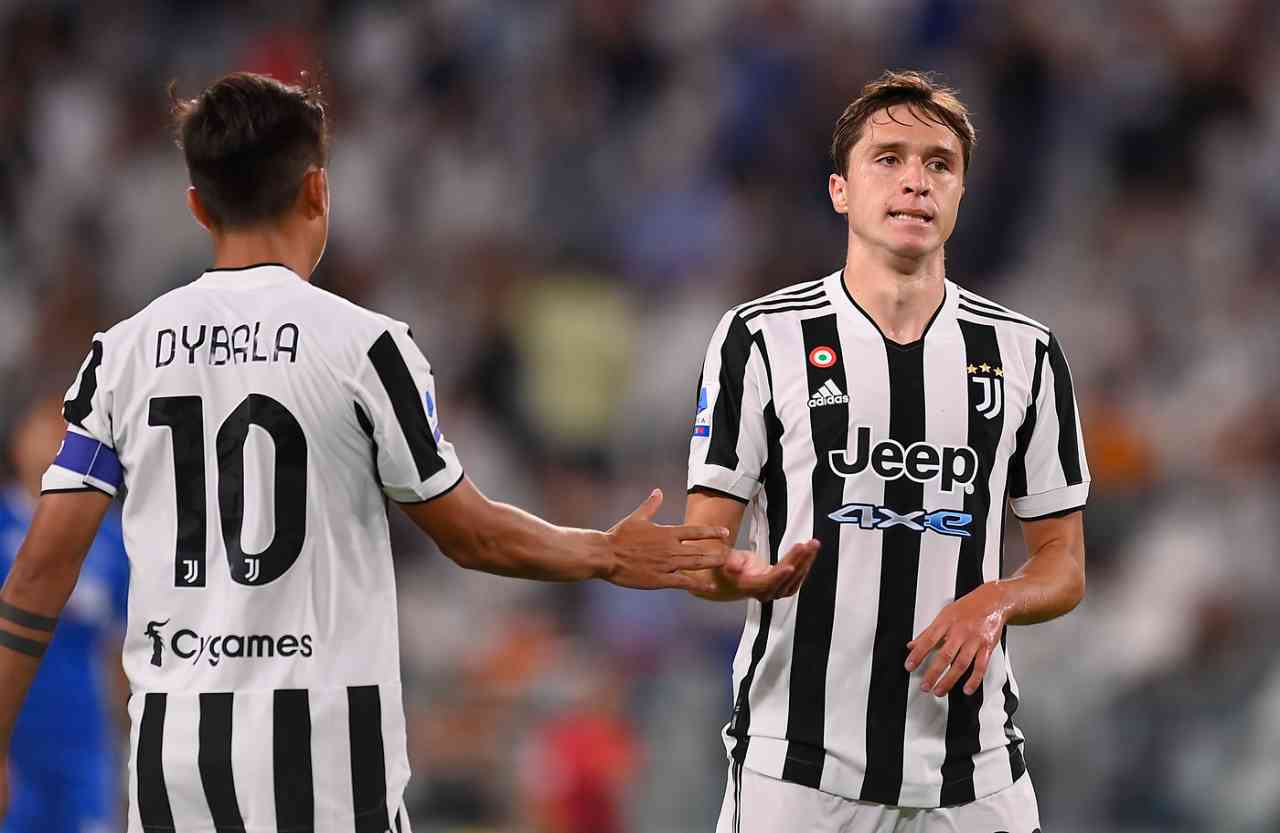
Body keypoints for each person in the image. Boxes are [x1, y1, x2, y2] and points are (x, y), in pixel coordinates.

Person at [0, 72, 817, 833]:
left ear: (196, 206)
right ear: (317, 191)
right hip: (326, 760)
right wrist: (605, 551)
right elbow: (472, 535)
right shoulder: (365, 348)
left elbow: (39, 572)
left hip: (175, 761)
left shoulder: (121, 354)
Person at [686, 70, 1089, 833]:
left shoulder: (1025, 353)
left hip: (975, 772)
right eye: (889, 158)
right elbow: (705, 545)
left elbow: (1063, 561)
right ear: (840, 190)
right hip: (798, 769)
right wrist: (725, 571)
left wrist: (995, 598)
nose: (916, 180)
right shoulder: (760, 338)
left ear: (961, 193)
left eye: (939, 164)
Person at [0, 397, 130, 833]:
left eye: (67, 435)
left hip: (83, 739)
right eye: (45, 431)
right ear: (18, 443)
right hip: (14, 738)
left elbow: (123, 644)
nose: (56, 445)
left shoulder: (113, 537)